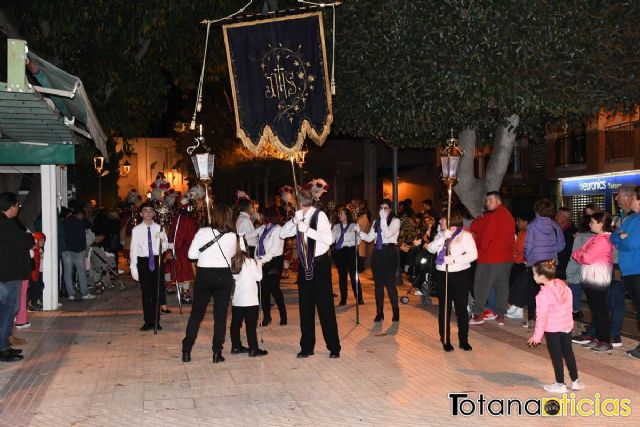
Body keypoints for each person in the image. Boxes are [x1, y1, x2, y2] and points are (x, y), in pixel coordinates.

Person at [280, 189, 341, 358]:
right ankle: (307, 347)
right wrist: (294, 221)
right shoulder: (298, 216)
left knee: (325, 308)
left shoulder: (319, 216)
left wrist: (307, 230)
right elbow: (282, 233)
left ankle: (334, 347)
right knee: (305, 308)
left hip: (320, 266)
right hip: (304, 266)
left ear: (298, 202)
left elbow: (329, 240)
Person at [182, 205, 238, 363]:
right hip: (223, 275)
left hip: (204, 275)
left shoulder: (202, 232)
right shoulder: (233, 236)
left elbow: (191, 254)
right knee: (220, 317)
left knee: (196, 314)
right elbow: (232, 255)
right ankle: (216, 353)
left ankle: (187, 349)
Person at [528, 260, 585, 394]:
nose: (533, 277)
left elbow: (541, 317)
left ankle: (560, 384)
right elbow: (569, 305)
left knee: (556, 356)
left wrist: (537, 336)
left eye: (534, 274)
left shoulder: (543, 295)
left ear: (542, 277)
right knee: (568, 353)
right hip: (566, 326)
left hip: (553, 328)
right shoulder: (562, 285)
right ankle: (575, 381)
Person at [427, 207, 478, 352]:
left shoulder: (465, 236)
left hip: (460, 274)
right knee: (445, 308)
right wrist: (444, 237)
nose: (440, 221)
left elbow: (473, 255)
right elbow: (430, 249)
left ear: (450, 220)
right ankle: (445, 339)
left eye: (443, 219)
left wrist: (454, 259)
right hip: (443, 274)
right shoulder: (441, 235)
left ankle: (464, 340)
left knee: (461, 308)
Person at [469, 192, 515, 325]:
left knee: (481, 285)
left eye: (490, 200)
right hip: (506, 257)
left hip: (491, 257)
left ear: (498, 200)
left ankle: (477, 315)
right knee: (502, 286)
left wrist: (480, 250)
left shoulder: (495, 215)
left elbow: (485, 234)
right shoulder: (507, 215)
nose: (487, 203)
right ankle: (500, 315)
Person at [571, 211, 614, 352]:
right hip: (591, 278)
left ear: (601, 224)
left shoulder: (603, 240)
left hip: (598, 279)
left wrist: (581, 254)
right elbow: (578, 253)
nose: (590, 224)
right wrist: (581, 254)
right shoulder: (597, 238)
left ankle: (605, 341)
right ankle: (598, 338)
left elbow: (586, 257)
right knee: (596, 310)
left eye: (593, 222)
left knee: (600, 311)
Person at [0, 192, 34, 362]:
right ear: (11, 206)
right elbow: (26, 241)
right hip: (8, 275)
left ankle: (4, 345)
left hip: (6, 274)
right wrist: (31, 238)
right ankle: (2, 347)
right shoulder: (6, 224)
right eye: (17, 206)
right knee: (8, 310)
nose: (18, 209)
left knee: (6, 310)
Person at [520, 198, 565, 327]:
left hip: (535, 262)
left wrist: (529, 258)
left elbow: (528, 245)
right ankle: (550, 319)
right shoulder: (555, 225)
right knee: (550, 290)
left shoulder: (533, 225)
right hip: (551, 263)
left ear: (537, 210)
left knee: (533, 291)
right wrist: (551, 251)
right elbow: (561, 245)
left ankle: (533, 319)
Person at [358, 199, 401, 322]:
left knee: (390, 284)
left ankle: (395, 311)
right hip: (377, 253)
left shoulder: (395, 221)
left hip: (389, 253)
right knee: (378, 285)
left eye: (386, 208)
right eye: (381, 208)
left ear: (390, 209)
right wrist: (359, 232)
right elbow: (370, 238)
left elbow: (387, 235)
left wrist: (382, 220)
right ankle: (379, 312)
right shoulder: (377, 222)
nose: (383, 210)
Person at [611, 185, 640, 359]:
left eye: (634, 198)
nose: (631, 200)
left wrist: (621, 239)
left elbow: (632, 244)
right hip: (629, 271)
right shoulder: (631, 219)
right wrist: (620, 238)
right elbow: (614, 236)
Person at [130, 203, 168, 332]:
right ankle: (148, 321)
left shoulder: (159, 228)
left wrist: (164, 241)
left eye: (150, 210)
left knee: (156, 291)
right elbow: (133, 250)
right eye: (145, 211)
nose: (148, 213)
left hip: (156, 260)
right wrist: (133, 268)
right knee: (146, 293)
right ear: (141, 214)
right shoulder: (136, 230)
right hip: (143, 262)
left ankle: (156, 321)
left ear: (154, 213)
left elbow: (164, 247)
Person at [229, 244, 268, 357]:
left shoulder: (232, 261)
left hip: (237, 299)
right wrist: (259, 264)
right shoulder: (249, 262)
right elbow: (258, 277)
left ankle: (236, 346)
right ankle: (253, 348)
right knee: (250, 325)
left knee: (235, 324)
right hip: (250, 299)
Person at [255, 207, 287, 326]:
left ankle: (283, 315)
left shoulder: (278, 229)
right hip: (263, 261)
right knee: (263, 291)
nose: (262, 217)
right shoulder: (264, 228)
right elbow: (258, 243)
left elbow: (273, 250)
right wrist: (257, 258)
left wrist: (262, 261)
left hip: (274, 262)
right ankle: (267, 316)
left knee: (274, 289)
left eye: (263, 215)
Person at [168, 199, 198, 303]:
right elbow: (179, 236)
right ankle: (184, 294)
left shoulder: (179, 218)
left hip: (184, 249)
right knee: (184, 272)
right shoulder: (185, 220)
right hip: (184, 250)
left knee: (184, 272)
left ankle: (183, 293)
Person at [332, 206, 363, 306]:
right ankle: (343, 298)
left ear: (346, 215)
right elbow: (331, 240)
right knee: (342, 276)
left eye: (341, 213)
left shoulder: (353, 225)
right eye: (339, 213)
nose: (339, 215)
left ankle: (359, 298)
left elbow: (358, 240)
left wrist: (356, 233)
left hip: (350, 251)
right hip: (340, 252)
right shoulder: (336, 227)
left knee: (354, 275)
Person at [62, 207, 95, 301]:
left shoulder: (65, 221)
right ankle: (85, 293)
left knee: (67, 272)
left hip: (66, 250)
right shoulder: (80, 222)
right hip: (77, 250)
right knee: (81, 271)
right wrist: (84, 250)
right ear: (80, 214)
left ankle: (70, 294)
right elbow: (82, 236)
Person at [506, 213, 531, 319]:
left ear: (525, 222)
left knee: (521, 285)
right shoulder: (521, 232)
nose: (517, 224)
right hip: (517, 262)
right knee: (515, 285)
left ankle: (519, 308)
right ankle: (515, 306)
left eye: (519, 221)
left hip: (525, 263)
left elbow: (525, 249)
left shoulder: (530, 233)